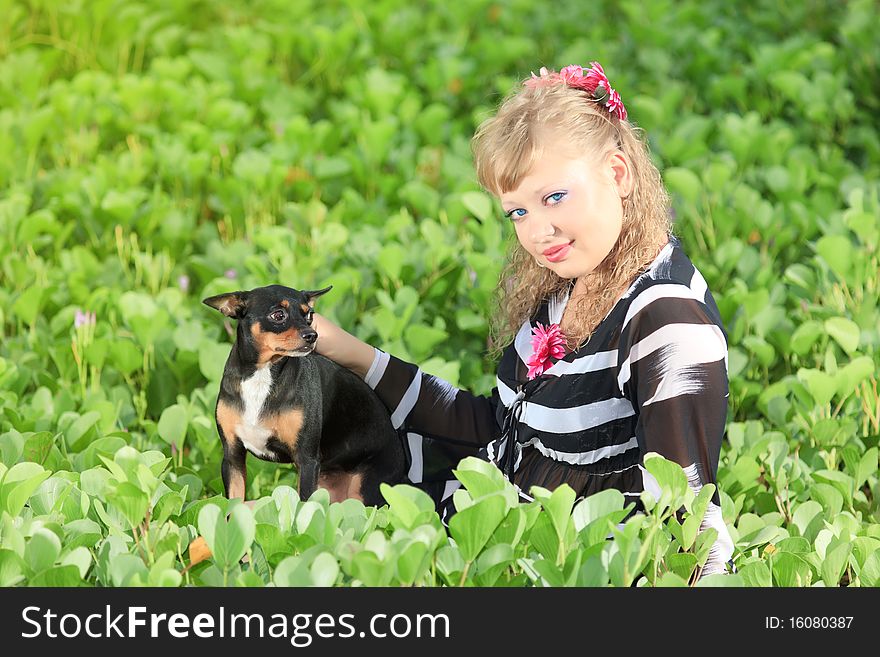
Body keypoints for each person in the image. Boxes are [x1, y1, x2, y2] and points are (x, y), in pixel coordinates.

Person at [313, 62, 734, 577]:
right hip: (498, 527)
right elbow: (499, 426)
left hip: (570, 564)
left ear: (618, 174)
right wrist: (352, 354)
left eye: (554, 197)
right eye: (518, 212)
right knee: (344, 465)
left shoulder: (665, 320)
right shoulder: (570, 283)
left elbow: (685, 513)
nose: (538, 232)